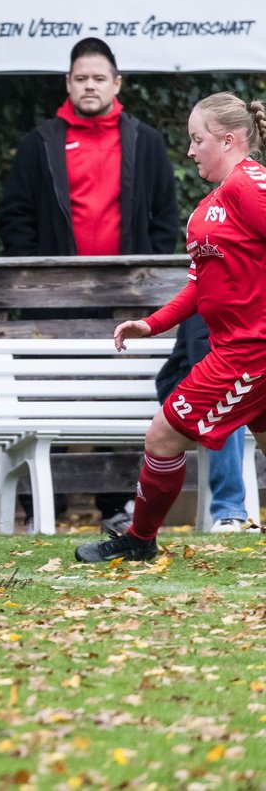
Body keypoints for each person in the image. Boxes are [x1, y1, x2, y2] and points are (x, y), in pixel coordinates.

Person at [0, 36, 180, 535]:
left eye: (100, 78)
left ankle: (118, 504)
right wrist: (37, 279)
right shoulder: (41, 143)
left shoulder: (145, 142)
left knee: (122, 399)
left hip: (125, 302)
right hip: (53, 304)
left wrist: (148, 284)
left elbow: (165, 218)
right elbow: (15, 217)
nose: (90, 86)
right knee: (52, 398)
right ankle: (44, 506)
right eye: (81, 78)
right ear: (68, 84)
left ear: (117, 84)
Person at [76, 92, 266, 563]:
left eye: (197, 139)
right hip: (240, 347)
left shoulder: (249, 185)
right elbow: (202, 286)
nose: (189, 150)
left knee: (162, 435)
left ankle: (139, 540)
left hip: (249, 351)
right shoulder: (212, 204)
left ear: (228, 139)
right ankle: (139, 540)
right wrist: (152, 323)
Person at [154, 314, 251, 533]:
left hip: (244, 385)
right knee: (225, 408)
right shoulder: (209, 300)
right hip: (189, 388)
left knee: (232, 400)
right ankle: (229, 512)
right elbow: (202, 354)